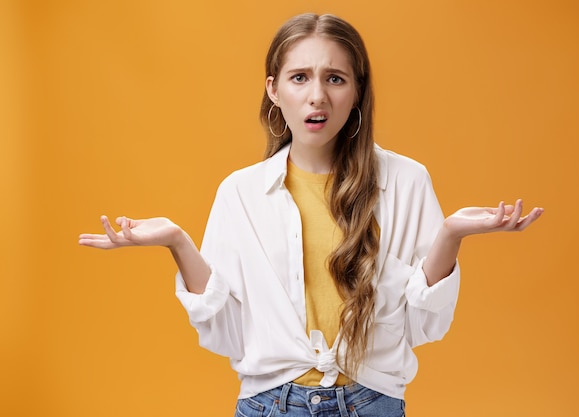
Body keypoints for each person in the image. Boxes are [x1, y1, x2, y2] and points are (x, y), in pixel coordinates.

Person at [79, 13, 543, 417]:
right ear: (274, 89)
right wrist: (178, 243)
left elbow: (426, 326)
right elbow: (228, 335)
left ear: (358, 91)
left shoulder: (407, 181)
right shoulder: (240, 193)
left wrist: (450, 235)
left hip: (373, 404)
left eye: (335, 78)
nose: (317, 95)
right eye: (299, 77)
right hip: (269, 406)